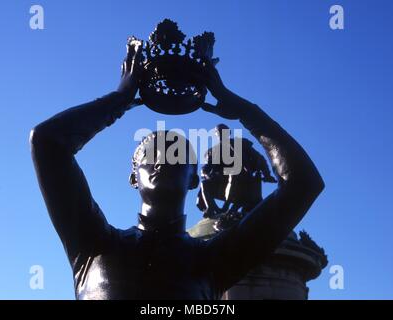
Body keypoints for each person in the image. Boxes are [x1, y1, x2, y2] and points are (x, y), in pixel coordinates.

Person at [30, 42, 324, 299]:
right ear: (134, 177)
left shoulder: (213, 261)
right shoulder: (93, 244)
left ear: (195, 177)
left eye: (176, 154)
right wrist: (119, 99)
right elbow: (47, 142)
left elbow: (303, 183)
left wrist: (246, 111)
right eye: (150, 154)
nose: (162, 160)